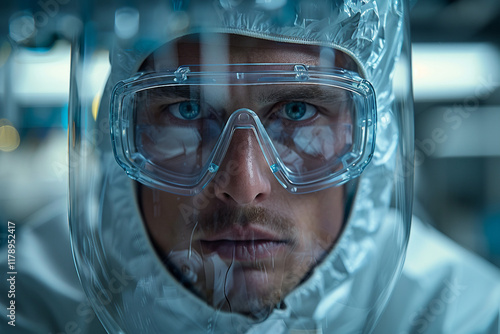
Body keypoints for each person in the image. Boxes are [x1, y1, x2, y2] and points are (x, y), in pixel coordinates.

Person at [1, 0, 499, 333]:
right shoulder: (27, 297)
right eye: (187, 110)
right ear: (121, 127)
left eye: (298, 112)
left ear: (372, 135)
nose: (243, 185)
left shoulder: (455, 312)